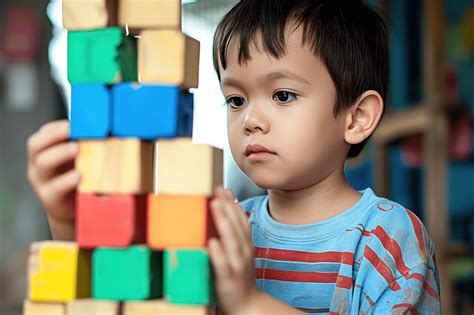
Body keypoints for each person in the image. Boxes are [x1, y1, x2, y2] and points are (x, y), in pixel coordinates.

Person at [27, 0, 441, 314]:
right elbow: (123, 298)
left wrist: (250, 303)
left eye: (282, 95)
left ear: (357, 117)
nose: (250, 120)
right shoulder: (225, 226)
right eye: (236, 99)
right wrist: (70, 220)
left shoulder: (387, 238)